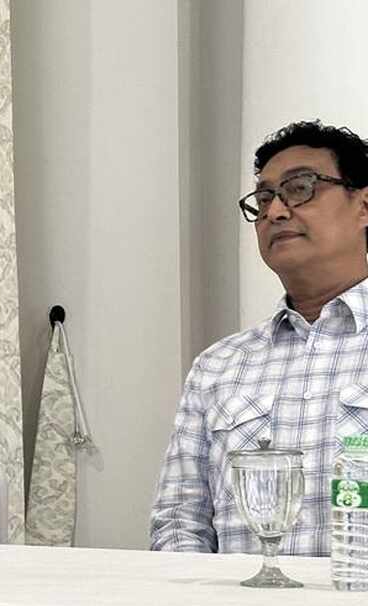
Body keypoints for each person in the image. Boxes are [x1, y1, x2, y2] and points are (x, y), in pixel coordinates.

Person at [151, 121, 368, 554]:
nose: (275, 211)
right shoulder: (219, 367)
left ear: (363, 206)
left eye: (300, 187)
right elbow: (179, 522)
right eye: (264, 198)